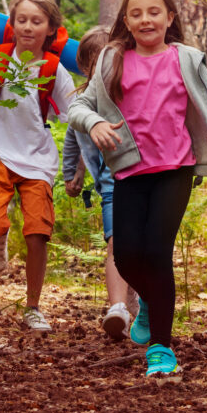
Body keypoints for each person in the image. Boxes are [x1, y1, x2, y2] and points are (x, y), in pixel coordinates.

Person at [68, 0, 207, 379]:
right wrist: (95, 123)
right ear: (126, 21)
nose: (146, 19)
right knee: (125, 257)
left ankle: (161, 346)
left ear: (169, 18)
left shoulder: (187, 58)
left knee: (157, 252)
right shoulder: (112, 58)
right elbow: (78, 106)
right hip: (129, 171)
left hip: (175, 169)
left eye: (154, 12)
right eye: (136, 13)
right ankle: (155, 304)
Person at [0, 0, 76, 332]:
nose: (28, 26)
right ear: (12, 24)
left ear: (50, 29)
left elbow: (75, 110)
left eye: (37, 21)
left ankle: (33, 307)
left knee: (37, 233)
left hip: (38, 160)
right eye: (22, 20)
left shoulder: (53, 69)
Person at [62, 25, 138, 340]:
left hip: (144, 176)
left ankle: (139, 303)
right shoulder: (82, 102)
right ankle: (118, 307)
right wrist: (73, 173)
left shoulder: (132, 91)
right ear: (85, 67)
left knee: (144, 247)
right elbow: (73, 137)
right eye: (96, 63)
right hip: (111, 181)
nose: (104, 69)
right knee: (116, 244)